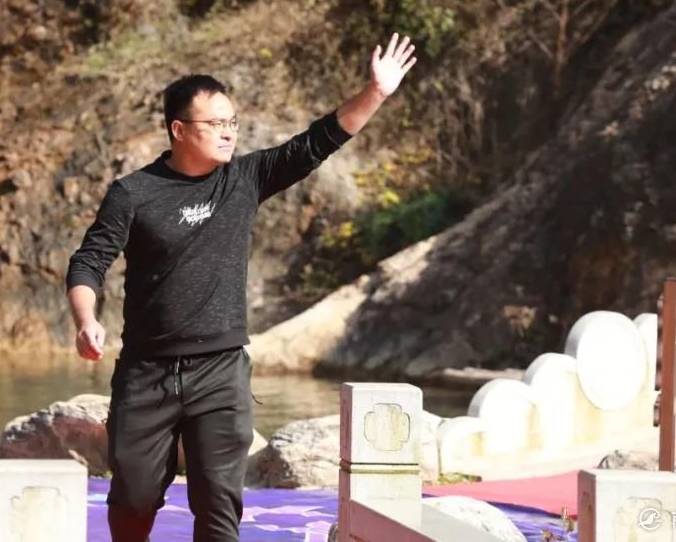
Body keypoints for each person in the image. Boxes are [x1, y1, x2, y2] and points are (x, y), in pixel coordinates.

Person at [65, 32, 418, 542]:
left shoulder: (245, 179)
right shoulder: (134, 194)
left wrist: (376, 92)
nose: (229, 132)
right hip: (147, 373)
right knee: (133, 503)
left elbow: (317, 141)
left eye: (232, 122)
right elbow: (88, 263)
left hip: (220, 373)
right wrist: (86, 321)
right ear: (179, 129)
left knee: (218, 511)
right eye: (216, 124)